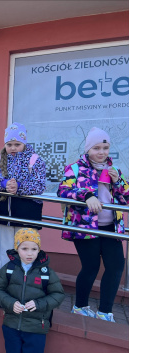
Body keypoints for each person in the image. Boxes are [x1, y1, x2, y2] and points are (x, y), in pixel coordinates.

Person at [57, 127, 129, 322]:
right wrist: (86, 195)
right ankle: (80, 307)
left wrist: (118, 182)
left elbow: (126, 198)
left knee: (116, 266)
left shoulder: (114, 171)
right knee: (91, 267)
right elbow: (63, 190)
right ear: (88, 149)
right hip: (85, 227)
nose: (101, 152)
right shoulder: (75, 168)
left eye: (105, 148)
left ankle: (105, 312)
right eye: (96, 148)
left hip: (111, 227)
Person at [0, 228, 65, 353]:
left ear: (39, 250)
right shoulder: (9, 269)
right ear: (17, 248)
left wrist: (39, 304)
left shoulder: (46, 272)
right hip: (12, 325)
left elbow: (58, 295)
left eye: (34, 249)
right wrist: (11, 303)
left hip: (36, 328)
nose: (29, 253)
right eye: (24, 248)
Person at [0, 122, 46, 276]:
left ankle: (24, 284)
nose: (13, 148)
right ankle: (1, 283)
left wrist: (19, 187)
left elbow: (39, 185)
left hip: (27, 216)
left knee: (26, 252)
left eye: (17, 144)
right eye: (9, 144)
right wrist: (3, 183)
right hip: (3, 214)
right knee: (3, 252)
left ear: (24, 143)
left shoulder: (35, 160)